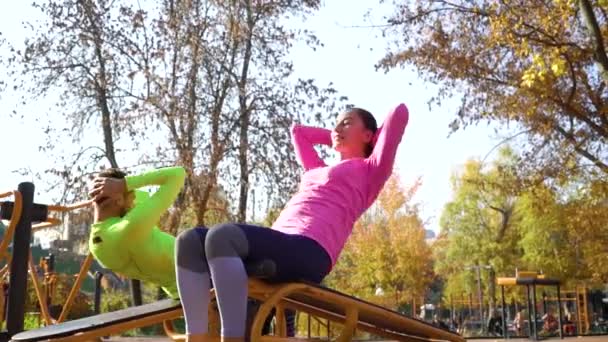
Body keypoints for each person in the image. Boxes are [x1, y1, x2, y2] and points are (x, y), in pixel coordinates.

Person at [175, 103, 409, 342]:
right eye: (335, 123)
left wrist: (373, 141)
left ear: (368, 135)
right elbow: (299, 132)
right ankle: (197, 338)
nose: (337, 127)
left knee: (222, 236)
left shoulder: (372, 170)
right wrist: (337, 136)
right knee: (189, 240)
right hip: (279, 243)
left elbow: (398, 113)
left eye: (347, 122)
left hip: (311, 249)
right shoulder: (315, 170)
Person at [87, 166, 186, 298]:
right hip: (205, 270)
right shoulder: (130, 226)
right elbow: (177, 174)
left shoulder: (98, 241)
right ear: (119, 200)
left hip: (181, 290)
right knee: (208, 235)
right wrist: (123, 184)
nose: (134, 199)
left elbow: (136, 199)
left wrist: (118, 190)